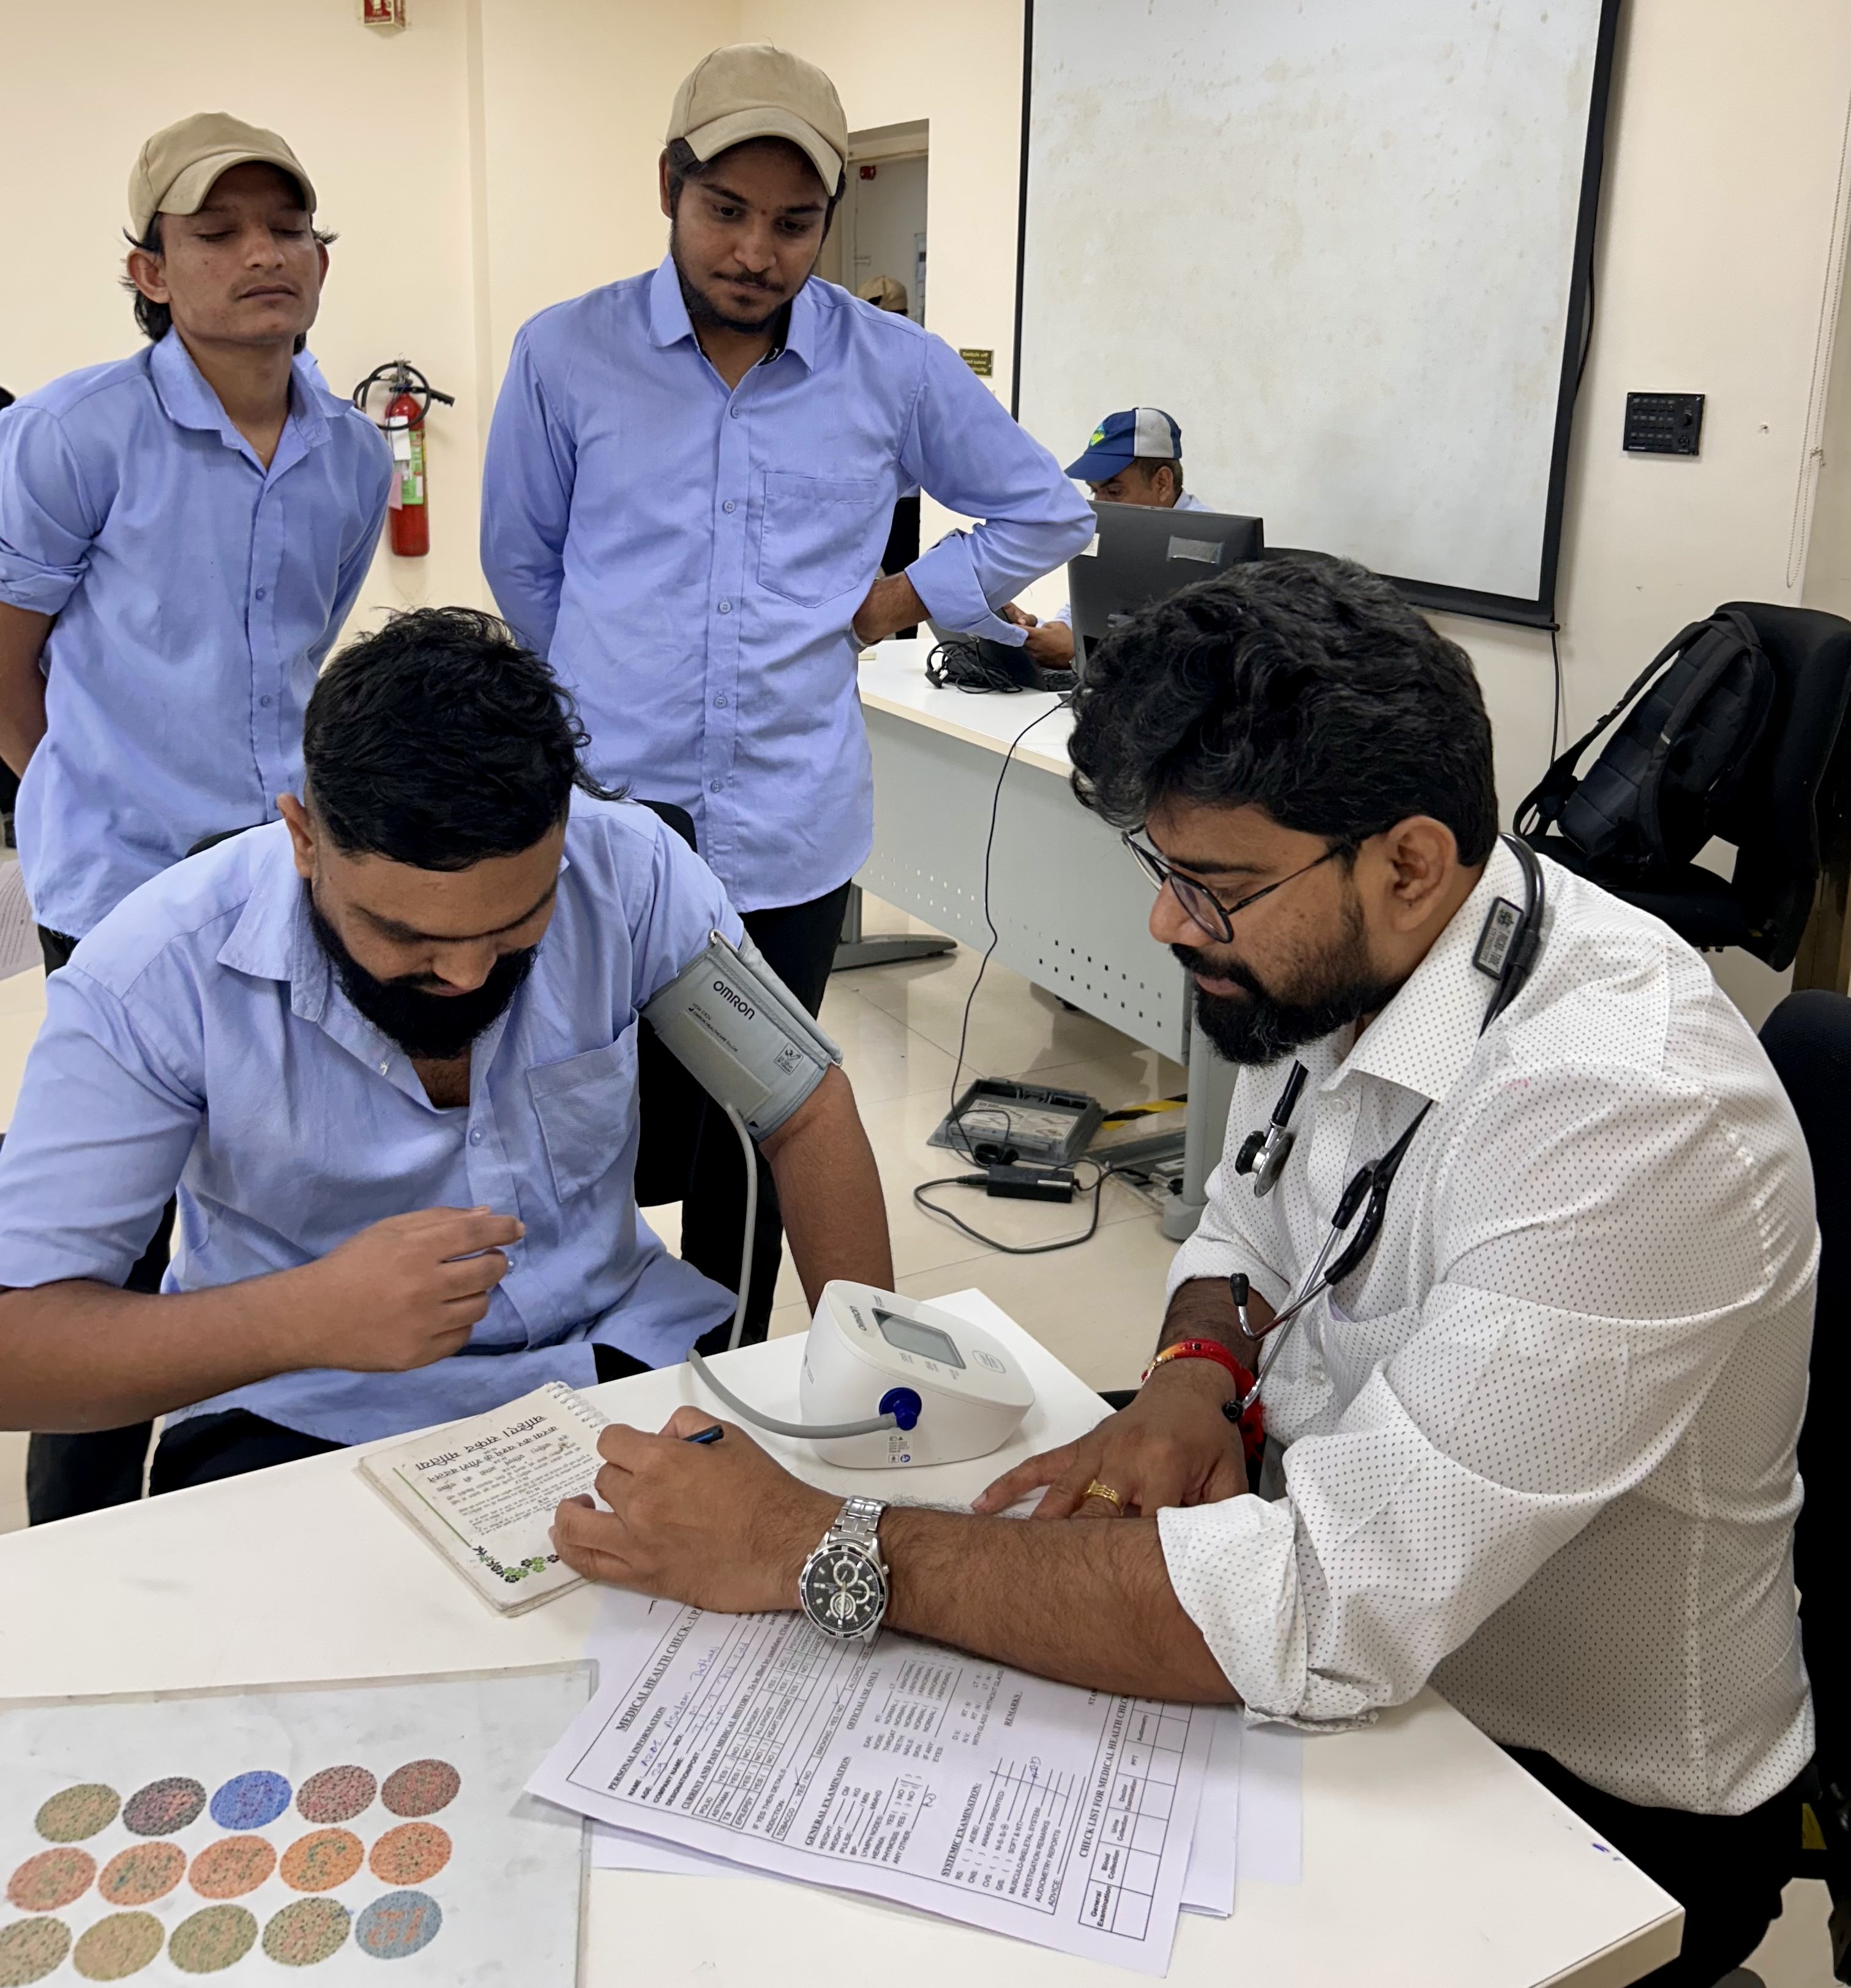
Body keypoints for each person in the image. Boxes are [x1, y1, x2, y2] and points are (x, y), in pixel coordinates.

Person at [551, 557, 1815, 1988]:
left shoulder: (1633, 1120)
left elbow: (1320, 1608)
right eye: (1162, 873)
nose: (1167, 926)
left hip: (1575, 1797)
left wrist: (808, 1547)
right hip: (1372, 1663)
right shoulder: (1387, 956)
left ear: (1406, 861)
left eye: (1211, 887)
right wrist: (1191, 1378)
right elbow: (1247, 1222)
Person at [0, 608, 893, 1489]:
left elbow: (805, 1108)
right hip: (300, 1404)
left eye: (515, 927)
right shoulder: (153, 972)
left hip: (608, 1360)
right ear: (305, 839)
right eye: (406, 936)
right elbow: (21, 1347)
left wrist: (883, 1387)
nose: (467, 975)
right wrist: (300, 1318)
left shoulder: (630, 874)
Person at [481, 43, 1092, 1321]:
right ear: (669, 188)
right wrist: (603, 696)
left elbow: (1041, 509)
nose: (756, 251)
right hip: (610, 825)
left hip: (787, 832)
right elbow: (524, 565)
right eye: (727, 212)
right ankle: (574, 1358)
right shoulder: (565, 354)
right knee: (584, 1116)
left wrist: (902, 599)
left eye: (794, 223)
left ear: (830, 219)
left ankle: (730, 1373)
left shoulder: (891, 367)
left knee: (759, 1137)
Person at [0, 111, 391, 1522]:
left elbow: (307, 648)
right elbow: (8, 662)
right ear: (149, 269)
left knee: (275, 1197)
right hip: (111, 885)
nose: (260, 256)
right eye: (215, 233)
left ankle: (250, 1497)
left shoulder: (352, 453)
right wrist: (83, 797)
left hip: (281, 885)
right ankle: (82, 1541)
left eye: (285, 228)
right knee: (105, 1243)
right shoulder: (71, 433)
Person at [1009, 405, 1206, 668]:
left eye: (1113, 492)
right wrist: (1039, 633)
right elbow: (1086, 613)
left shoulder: (1206, 545)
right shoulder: (1123, 531)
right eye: (1094, 492)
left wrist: (1078, 650)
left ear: (1162, 483)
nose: (1099, 507)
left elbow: (1195, 656)